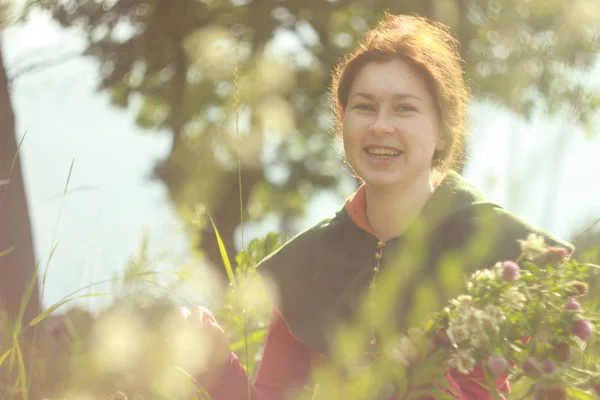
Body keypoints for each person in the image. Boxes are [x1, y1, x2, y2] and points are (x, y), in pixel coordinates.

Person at [177, 13, 573, 400]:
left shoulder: (506, 253)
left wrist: (428, 384)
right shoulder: (305, 264)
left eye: (405, 108)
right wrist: (214, 363)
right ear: (343, 122)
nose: (381, 125)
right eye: (365, 107)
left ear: (442, 131)